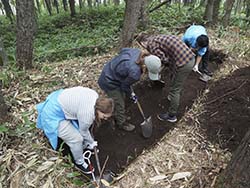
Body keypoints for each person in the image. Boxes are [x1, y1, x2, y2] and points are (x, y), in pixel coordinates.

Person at [36, 86, 114, 174]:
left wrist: (89, 142)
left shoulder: (94, 96)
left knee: (83, 133)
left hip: (58, 100)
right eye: (104, 117)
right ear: (98, 110)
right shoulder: (87, 114)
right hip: (53, 114)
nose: (105, 119)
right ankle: (79, 162)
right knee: (77, 139)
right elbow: (83, 131)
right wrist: (91, 142)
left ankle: (85, 146)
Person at [98, 48, 161, 132]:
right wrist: (131, 94)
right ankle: (121, 123)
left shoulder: (138, 52)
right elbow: (124, 86)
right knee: (119, 102)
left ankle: (120, 115)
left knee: (122, 96)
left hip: (111, 69)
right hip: (109, 81)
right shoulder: (135, 73)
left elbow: (122, 50)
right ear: (145, 66)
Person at [137, 34, 195, 122]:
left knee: (176, 89)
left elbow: (163, 59)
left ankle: (172, 115)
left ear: (143, 42)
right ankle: (173, 97)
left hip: (184, 64)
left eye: (142, 45)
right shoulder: (157, 38)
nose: (144, 47)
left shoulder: (151, 44)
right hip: (188, 57)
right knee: (174, 79)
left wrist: (157, 70)